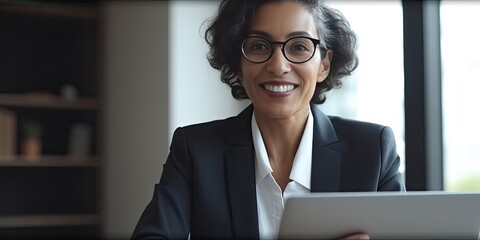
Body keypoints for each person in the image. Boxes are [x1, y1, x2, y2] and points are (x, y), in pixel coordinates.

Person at [131, 0, 405, 239]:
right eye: (259, 46)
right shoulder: (195, 149)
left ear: (324, 64)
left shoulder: (373, 150)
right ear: (239, 64)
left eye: (299, 47)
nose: (278, 65)